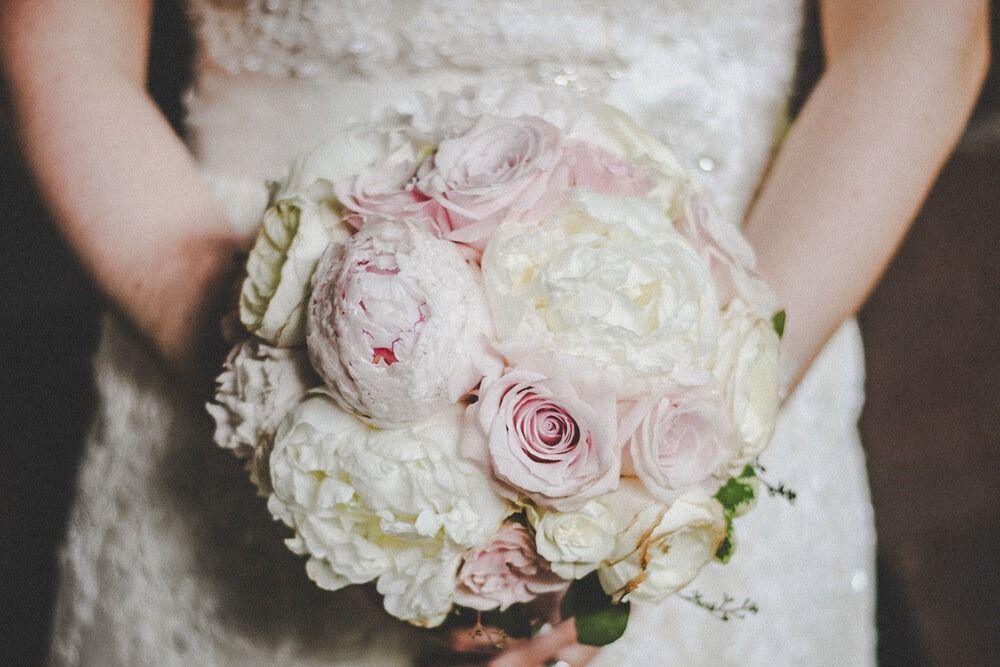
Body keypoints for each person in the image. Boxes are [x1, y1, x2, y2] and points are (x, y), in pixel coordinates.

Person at [0, 1, 988, 665]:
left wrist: (677, 452)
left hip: (731, 330)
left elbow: (921, 39)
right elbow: (64, 43)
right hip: (217, 383)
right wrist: (264, 377)